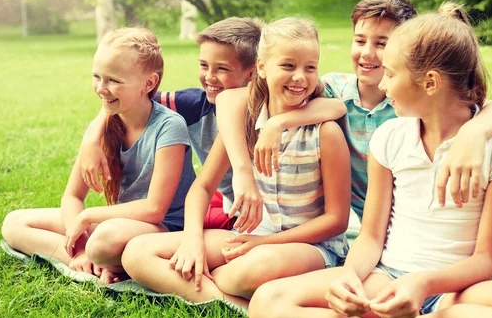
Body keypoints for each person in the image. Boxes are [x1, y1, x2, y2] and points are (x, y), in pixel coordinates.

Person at [248, 3, 492, 318]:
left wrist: (422, 284)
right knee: (268, 300)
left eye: (389, 74)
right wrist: (350, 275)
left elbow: (486, 260)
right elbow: (371, 237)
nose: (382, 85)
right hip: (386, 277)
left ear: (429, 83)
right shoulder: (389, 137)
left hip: (456, 289)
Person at [121, 17, 351, 305]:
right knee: (137, 252)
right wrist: (193, 242)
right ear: (263, 68)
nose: (300, 77)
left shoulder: (325, 132)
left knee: (255, 267)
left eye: (310, 67)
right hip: (251, 236)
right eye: (288, 66)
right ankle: (233, 304)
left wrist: (263, 243)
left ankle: (207, 289)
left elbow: (336, 220)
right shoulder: (243, 122)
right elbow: (203, 188)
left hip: (310, 245)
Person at [80, 17, 345, 234]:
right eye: (204, 65)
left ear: (254, 72)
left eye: (222, 69)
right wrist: (94, 137)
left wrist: (279, 122)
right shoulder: (195, 104)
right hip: (232, 207)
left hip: (255, 217)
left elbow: (336, 106)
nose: (209, 77)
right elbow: (130, 99)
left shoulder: (272, 107)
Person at [1, 27, 195, 284]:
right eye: (97, 77)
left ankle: (103, 259)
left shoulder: (170, 126)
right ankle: (84, 262)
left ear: (148, 83)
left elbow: (155, 209)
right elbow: (72, 196)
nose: (102, 88)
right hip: (119, 223)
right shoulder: (103, 127)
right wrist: (80, 244)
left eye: (114, 80)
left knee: (104, 239)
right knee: (14, 223)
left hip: (165, 227)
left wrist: (88, 217)